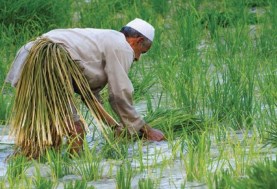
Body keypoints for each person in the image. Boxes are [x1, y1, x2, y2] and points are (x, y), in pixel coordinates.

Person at [5, 18, 165, 157]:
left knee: (46, 132)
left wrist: (115, 127)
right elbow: (119, 95)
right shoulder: (122, 46)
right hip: (49, 58)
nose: (137, 58)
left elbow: (90, 97)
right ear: (137, 41)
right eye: (142, 52)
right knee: (76, 131)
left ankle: (31, 166)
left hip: (28, 54)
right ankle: (71, 175)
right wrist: (146, 130)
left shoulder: (99, 40)